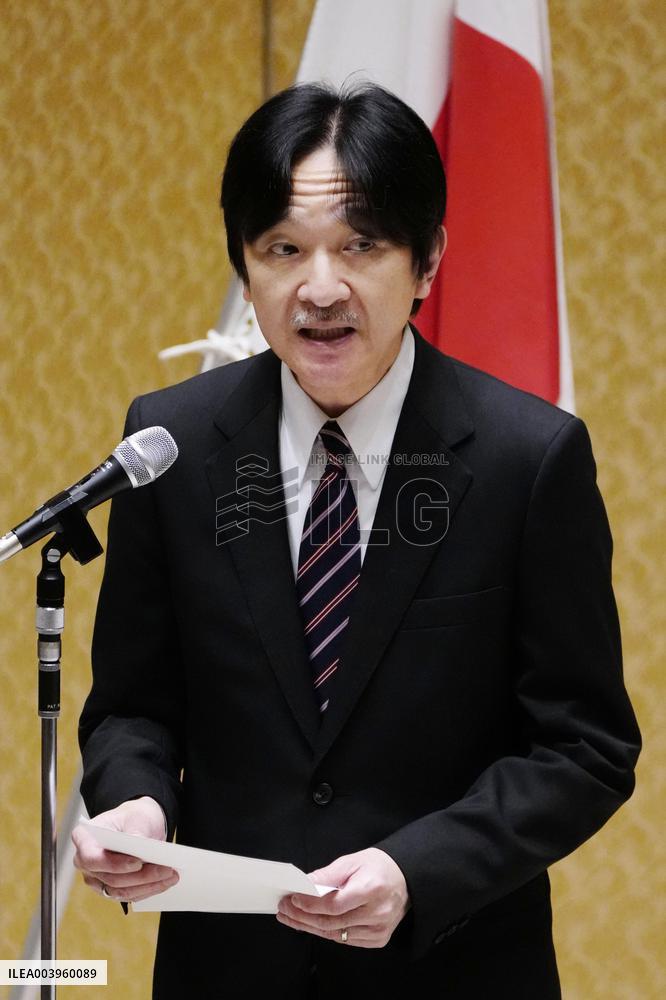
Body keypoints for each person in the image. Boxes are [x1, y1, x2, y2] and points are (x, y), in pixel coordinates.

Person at [72, 82, 640, 999]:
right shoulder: (171, 442)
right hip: (227, 974)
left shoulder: (525, 459)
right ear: (244, 264)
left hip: (451, 968)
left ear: (427, 262)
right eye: (283, 249)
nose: (321, 287)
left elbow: (584, 748)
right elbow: (133, 703)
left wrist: (419, 870)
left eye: (361, 245)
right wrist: (136, 797)